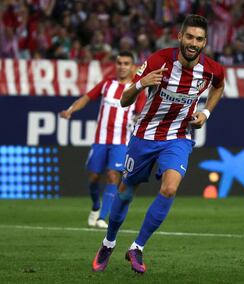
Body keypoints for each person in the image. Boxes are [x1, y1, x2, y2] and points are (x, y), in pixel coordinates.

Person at [91, 14, 225, 274]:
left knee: (170, 189)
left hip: (178, 137)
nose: (193, 43)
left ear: (205, 42)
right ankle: (108, 242)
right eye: (189, 37)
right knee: (126, 192)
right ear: (180, 37)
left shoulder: (211, 69)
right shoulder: (158, 60)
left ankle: (137, 248)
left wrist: (206, 113)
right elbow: (124, 100)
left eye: (199, 39)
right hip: (144, 136)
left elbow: (219, 87)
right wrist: (142, 83)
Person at [59, 51, 145, 228]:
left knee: (113, 176)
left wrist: (138, 119)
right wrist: (70, 110)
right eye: (119, 63)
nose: (122, 66)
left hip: (121, 141)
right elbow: (86, 98)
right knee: (93, 178)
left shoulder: (137, 89)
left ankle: (101, 218)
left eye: (126, 63)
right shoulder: (107, 85)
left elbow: (142, 112)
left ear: (133, 67)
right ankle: (96, 205)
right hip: (100, 139)